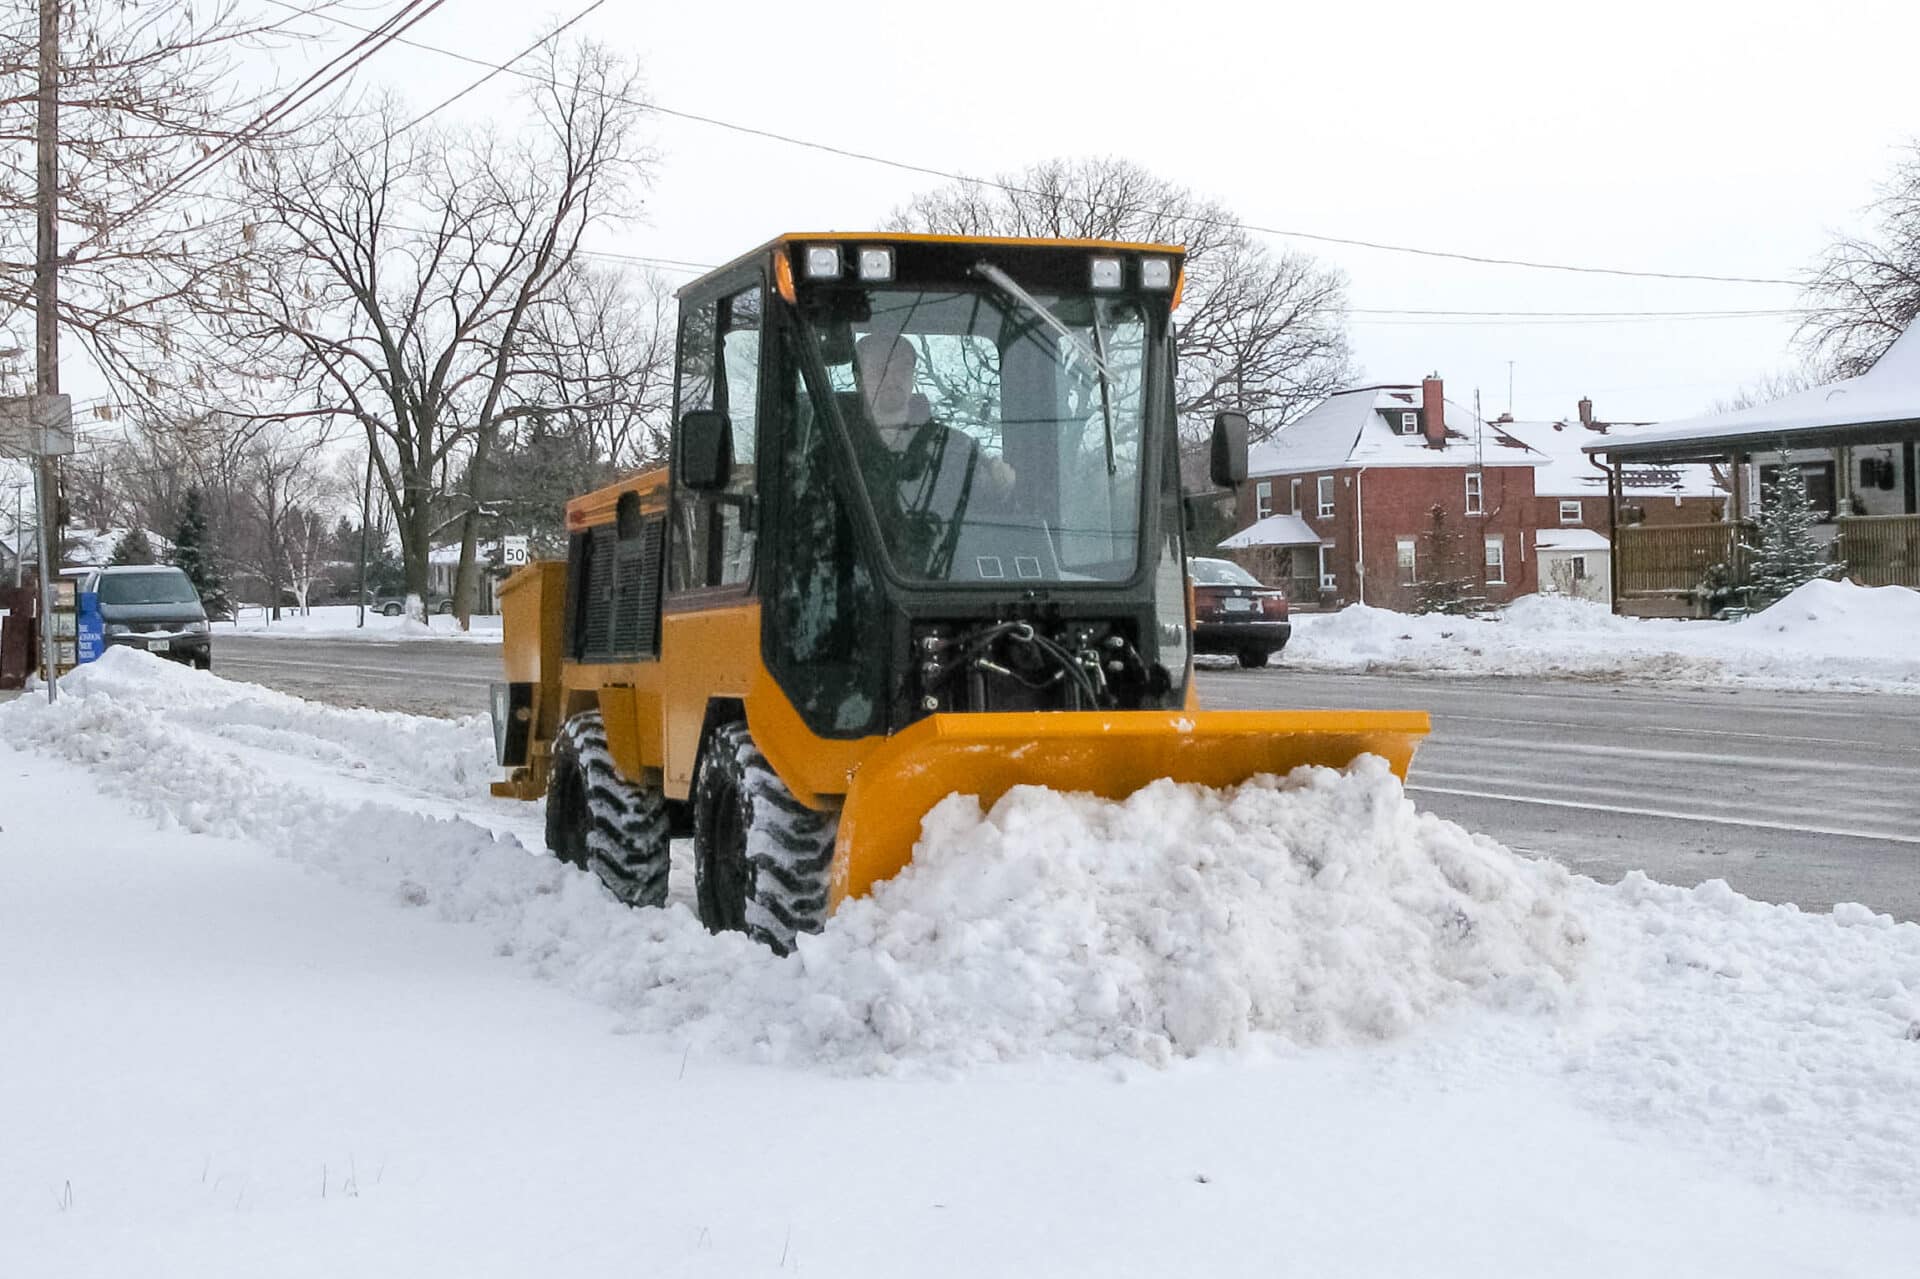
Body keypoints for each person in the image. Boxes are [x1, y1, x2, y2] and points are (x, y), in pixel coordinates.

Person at [850, 332, 1016, 575]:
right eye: (880, 367)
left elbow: (993, 521)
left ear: (913, 376)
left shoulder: (956, 447)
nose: (893, 376)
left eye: (903, 367)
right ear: (858, 379)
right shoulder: (833, 448)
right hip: (855, 586)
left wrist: (1002, 488)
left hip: (944, 585)